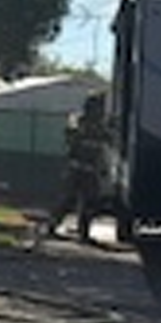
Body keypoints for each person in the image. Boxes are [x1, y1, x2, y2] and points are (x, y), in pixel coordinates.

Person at [50, 93, 111, 242]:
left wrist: (103, 166)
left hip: (91, 169)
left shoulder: (101, 125)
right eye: (97, 107)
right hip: (76, 167)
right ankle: (52, 226)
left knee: (91, 202)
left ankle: (84, 232)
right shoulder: (78, 120)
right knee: (68, 199)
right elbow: (71, 136)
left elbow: (105, 142)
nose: (100, 110)